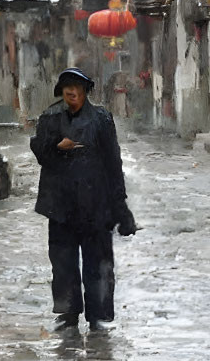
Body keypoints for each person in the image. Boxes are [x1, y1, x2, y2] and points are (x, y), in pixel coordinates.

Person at [31, 68, 137, 332]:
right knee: (63, 263)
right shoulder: (50, 118)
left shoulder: (101, 119)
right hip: (60, 204)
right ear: (62, 92)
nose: (72, 93)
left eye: (76, 88)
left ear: (85, 92)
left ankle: (98, 316)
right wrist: (57, 147)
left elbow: (114, 163)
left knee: (99, 263)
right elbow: (40, 153)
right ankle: (67, 314)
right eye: (67, 88)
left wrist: (120, 207)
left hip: (96, 203)